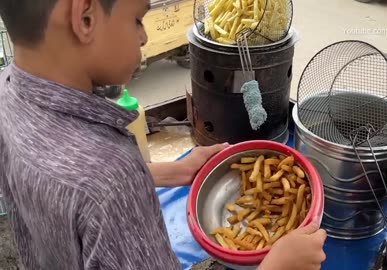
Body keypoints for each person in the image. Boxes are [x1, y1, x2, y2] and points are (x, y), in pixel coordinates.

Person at [0, 0, 327, 269]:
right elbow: (97, 188)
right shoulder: (111, 179)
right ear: (84, 17)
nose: (143, 38)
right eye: (138, 20)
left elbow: (66, 189)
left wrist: (168, 171)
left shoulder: (6, 94)